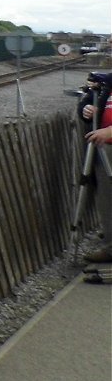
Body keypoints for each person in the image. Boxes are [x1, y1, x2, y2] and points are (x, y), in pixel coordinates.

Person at [75, 74, 112, 263]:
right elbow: (85, 102)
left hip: (107, 142)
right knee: (106, 198)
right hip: (105, 150)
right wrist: (87, 110)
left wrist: (109, 131)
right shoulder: (106, 82)